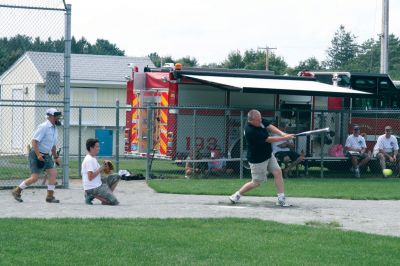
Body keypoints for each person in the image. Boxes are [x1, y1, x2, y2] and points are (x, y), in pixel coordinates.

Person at [229, 109, 295, 206]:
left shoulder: (259, 120)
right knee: (256, 182)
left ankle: (281, 198)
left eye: (261, 118)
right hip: (257, 159)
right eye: (258, 120)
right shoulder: (250, 130)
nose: (261, 121)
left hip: (268, 154)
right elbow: (269, 139)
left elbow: (270, 126)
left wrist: (282, 133)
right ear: (251, 120)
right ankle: (236, 195)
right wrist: (286, 138)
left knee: (277, 172)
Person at [12, 108, 62, 203]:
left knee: (53, 174)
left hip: (46, 155)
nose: (58, 118)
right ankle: (17, 191)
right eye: (56, 116)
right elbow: (34, 141)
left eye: (59, 116)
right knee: (35, 178)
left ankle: (50, 197)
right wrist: (38, 155)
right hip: (36, 154)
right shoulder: (43, 127)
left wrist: (55, 157)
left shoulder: (55, 128)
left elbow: (53, 145)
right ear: (50, 116)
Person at [81, 138, 120, 205]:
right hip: (93, 187)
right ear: (91, 148)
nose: (99, 148)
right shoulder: (89, 160)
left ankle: (105, 196)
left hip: (98, 183)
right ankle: (90, 195)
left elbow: (100, 173)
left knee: (116, 176)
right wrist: (101, 168)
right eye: (97, 146)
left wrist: (106, 168)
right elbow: (90, 177)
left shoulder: (92, 158)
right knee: (114, 202)